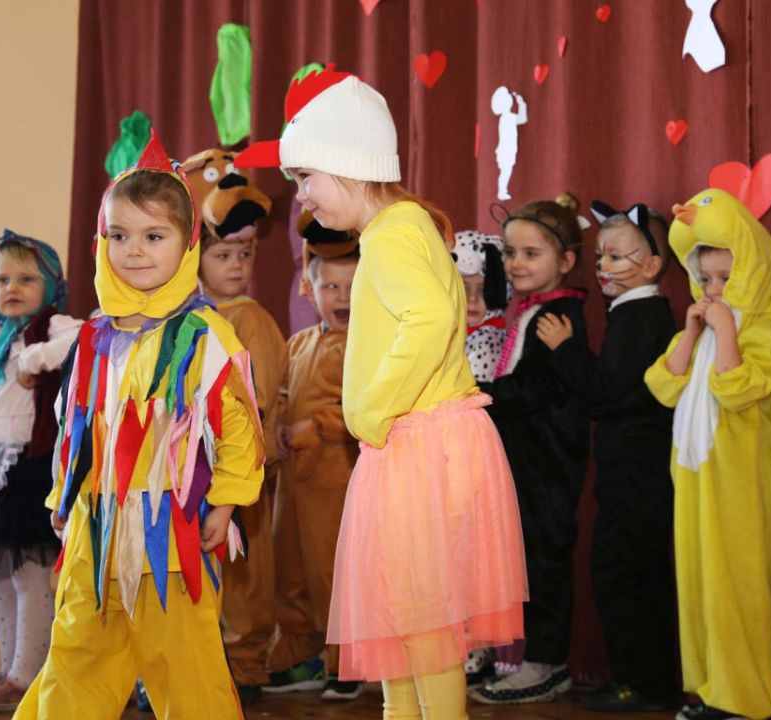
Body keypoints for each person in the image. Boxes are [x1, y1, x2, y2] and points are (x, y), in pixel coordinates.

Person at [236, 65, 527, 720]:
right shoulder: (396, 229)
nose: (302, 197)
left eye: (306, 177)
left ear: (348, 162)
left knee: (421, 620)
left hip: (418, 443)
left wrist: (369, 409)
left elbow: (428, 319)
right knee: (405, 616)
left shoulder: (394, 233)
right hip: (417, 442)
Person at [14, 130, 265, 720]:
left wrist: (226, 502)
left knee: (187, 669)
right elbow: (74, 425)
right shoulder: (93, 337)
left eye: (154, 236)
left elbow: (239, 428)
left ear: (188, 242)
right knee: (76, 659)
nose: (134, 251)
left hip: (171, 538)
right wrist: (64, 496)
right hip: (96, 534)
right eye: (119, 235)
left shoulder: (206, 336)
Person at [645, 189, 771, 720]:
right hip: (694, 478)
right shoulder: (703, 331)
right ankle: (712, 692)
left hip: (739, 483)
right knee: (700, 587)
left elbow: (737, 389)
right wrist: (690, 334)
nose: (714, 291)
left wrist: (727, 329)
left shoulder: (765, 329)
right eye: (705, 279)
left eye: (726, 278)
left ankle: (748, 701)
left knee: (740, 588)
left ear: (752, 271)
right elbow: (663, 384)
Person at [535, 201, 679, 713]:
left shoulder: (640, 316)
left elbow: (606, 392)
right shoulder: (634, 312)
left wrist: (566, 350)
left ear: (653, 264)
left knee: (624, 573)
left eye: (618, 257)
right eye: (601, 257)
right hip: (633, 469)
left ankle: (642, 682)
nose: (603, 268)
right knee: (629, 570)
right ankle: (643, 679)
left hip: (638, 472)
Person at [470, 198, 589, 705]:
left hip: (548, 462)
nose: (516, 263)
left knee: (544, 560)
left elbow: (533, 387)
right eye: (511, 252)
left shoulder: (559, 314)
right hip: (531, 460)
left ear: (566, 260)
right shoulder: (535, 309)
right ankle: (527, 658)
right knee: (530, 558)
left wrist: (475, 393)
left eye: (531, 254)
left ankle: (546, 663)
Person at [0, 231, 80, 712]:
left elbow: (87, 336)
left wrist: (34, 359)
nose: (11, 288)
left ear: (51, 285)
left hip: (27, 466)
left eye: (25, 279)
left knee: (29, 575)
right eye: (1, 280)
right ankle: (9, 669)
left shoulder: (51, 328)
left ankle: (28, 675)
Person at [265, 239, 363, 701]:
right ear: (309, 288)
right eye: (331, 287)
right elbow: (282, 393)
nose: (342, 297)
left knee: (331, 572)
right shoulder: (299, 343)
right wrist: (279, 426)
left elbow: (361, 409)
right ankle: (299, 656)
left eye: (353, 286)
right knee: (291, 570)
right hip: (293, 483)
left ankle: (346, 664)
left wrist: (314, 427)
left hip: (335, 480)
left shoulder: (364, 345)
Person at [198, 226, 286, 702]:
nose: (236, 264)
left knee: (244, 568)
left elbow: (259, 394)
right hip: (198, 465)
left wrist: (232, 450)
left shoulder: (248, 316)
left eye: (244, 254)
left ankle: (245, 665)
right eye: (223, 255)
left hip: (239, 463)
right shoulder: (196, 314)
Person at [452, 230, 508, 385]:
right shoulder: (449, 330)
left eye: (483, 290)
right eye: (464, 288)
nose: (472, 298)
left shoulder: (486, 342)